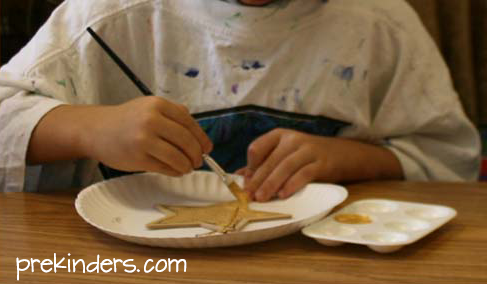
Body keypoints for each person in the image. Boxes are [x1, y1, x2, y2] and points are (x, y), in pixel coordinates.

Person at [0, 0, 480, 201]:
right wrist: (89, 128)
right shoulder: (109, 13)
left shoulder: (378, 21)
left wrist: (349, 158)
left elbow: (449, 152)